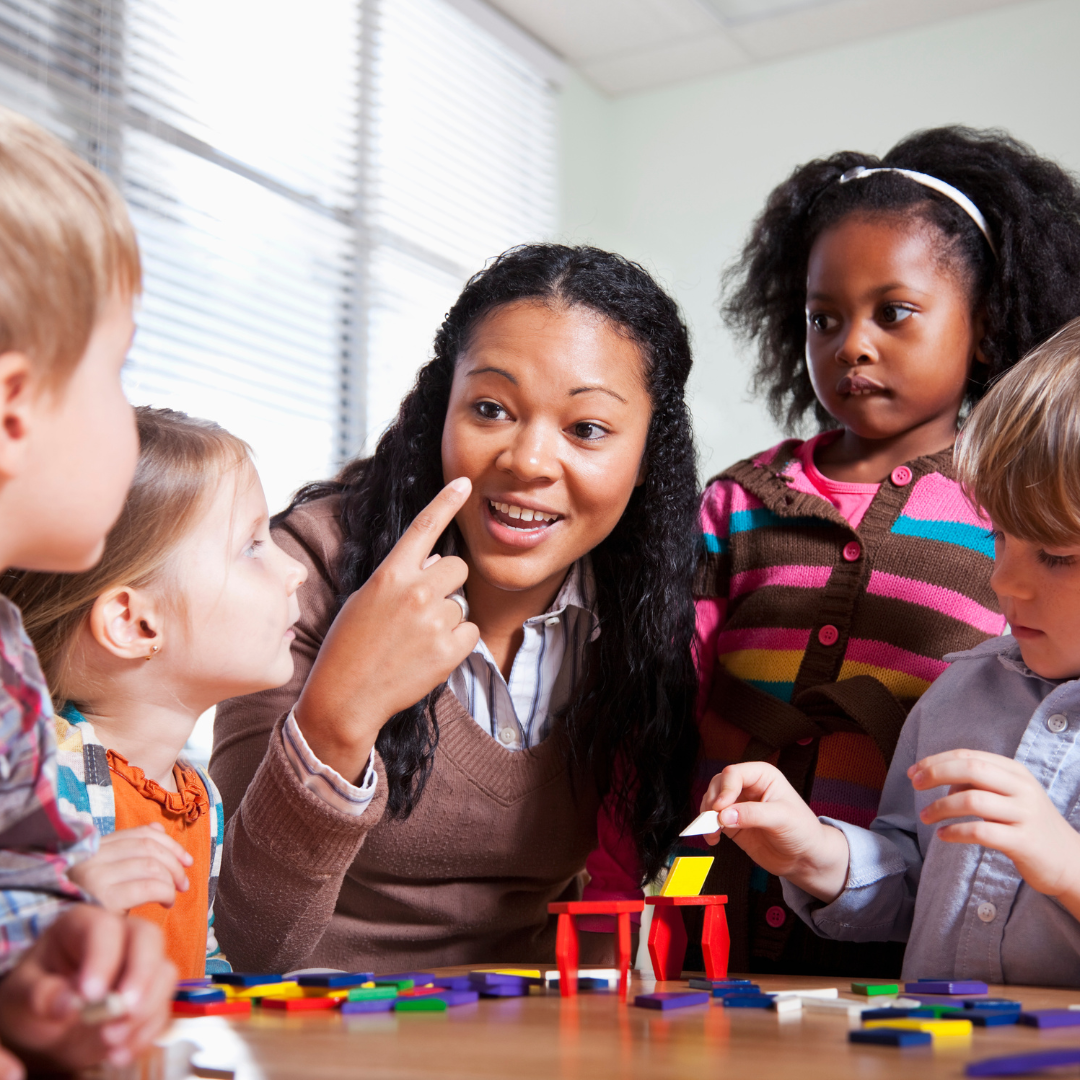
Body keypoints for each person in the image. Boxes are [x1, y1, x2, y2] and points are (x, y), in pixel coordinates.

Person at [210, 243, 700, 973]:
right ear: (442, 410)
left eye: (587, 429)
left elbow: (624, 888)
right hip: (316, 1033)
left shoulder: (641, 607)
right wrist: (340, 714)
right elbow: (255, 940)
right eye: (491, 409)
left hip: (527, 1034)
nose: (529, 460)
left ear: (646, 455)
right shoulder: (302, 571)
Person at [690, 126, 1080, 976]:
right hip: (715, 910)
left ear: (983, 330)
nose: (853, 345)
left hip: (886, 955)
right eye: (823, 318)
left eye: (892, 312)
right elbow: (659, 703)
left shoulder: (1015, 494)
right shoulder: (738, 504)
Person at [3, 407, 307, 979]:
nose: (296, 571)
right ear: (135, 624)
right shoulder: (40, 781)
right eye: (252, 546)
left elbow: (194, 963)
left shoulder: (197, 796)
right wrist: (65, 909)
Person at [0, 107, 173, 1071]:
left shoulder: (7, 660)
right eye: (119, 366)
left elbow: (19, 875)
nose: (131, 415)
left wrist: (42, 968)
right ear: (14, 411)